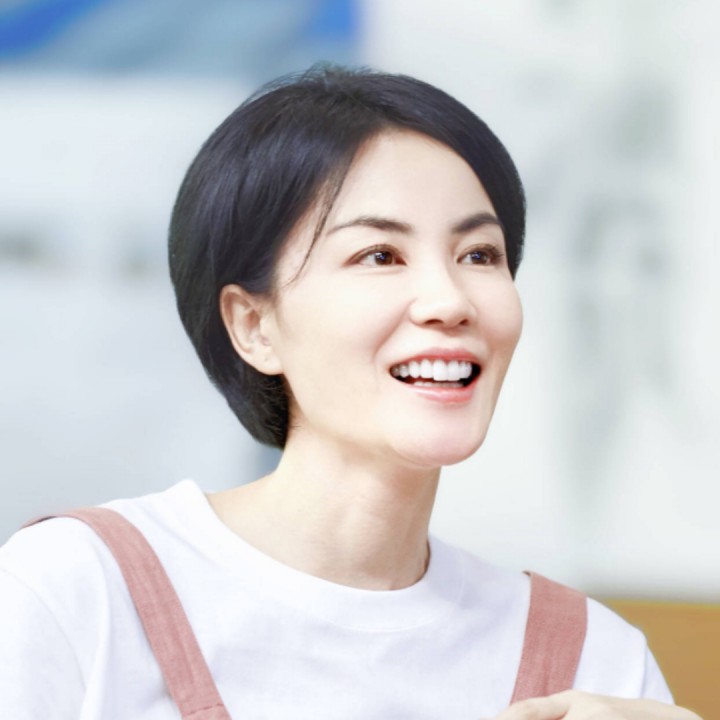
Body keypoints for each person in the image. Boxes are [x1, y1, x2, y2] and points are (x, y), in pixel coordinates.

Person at [0, 65, 701, 719]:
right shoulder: (78, 591)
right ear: (253, 325)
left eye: (479, 255)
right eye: (380, 255)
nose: (450, 300)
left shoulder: (592, 659)